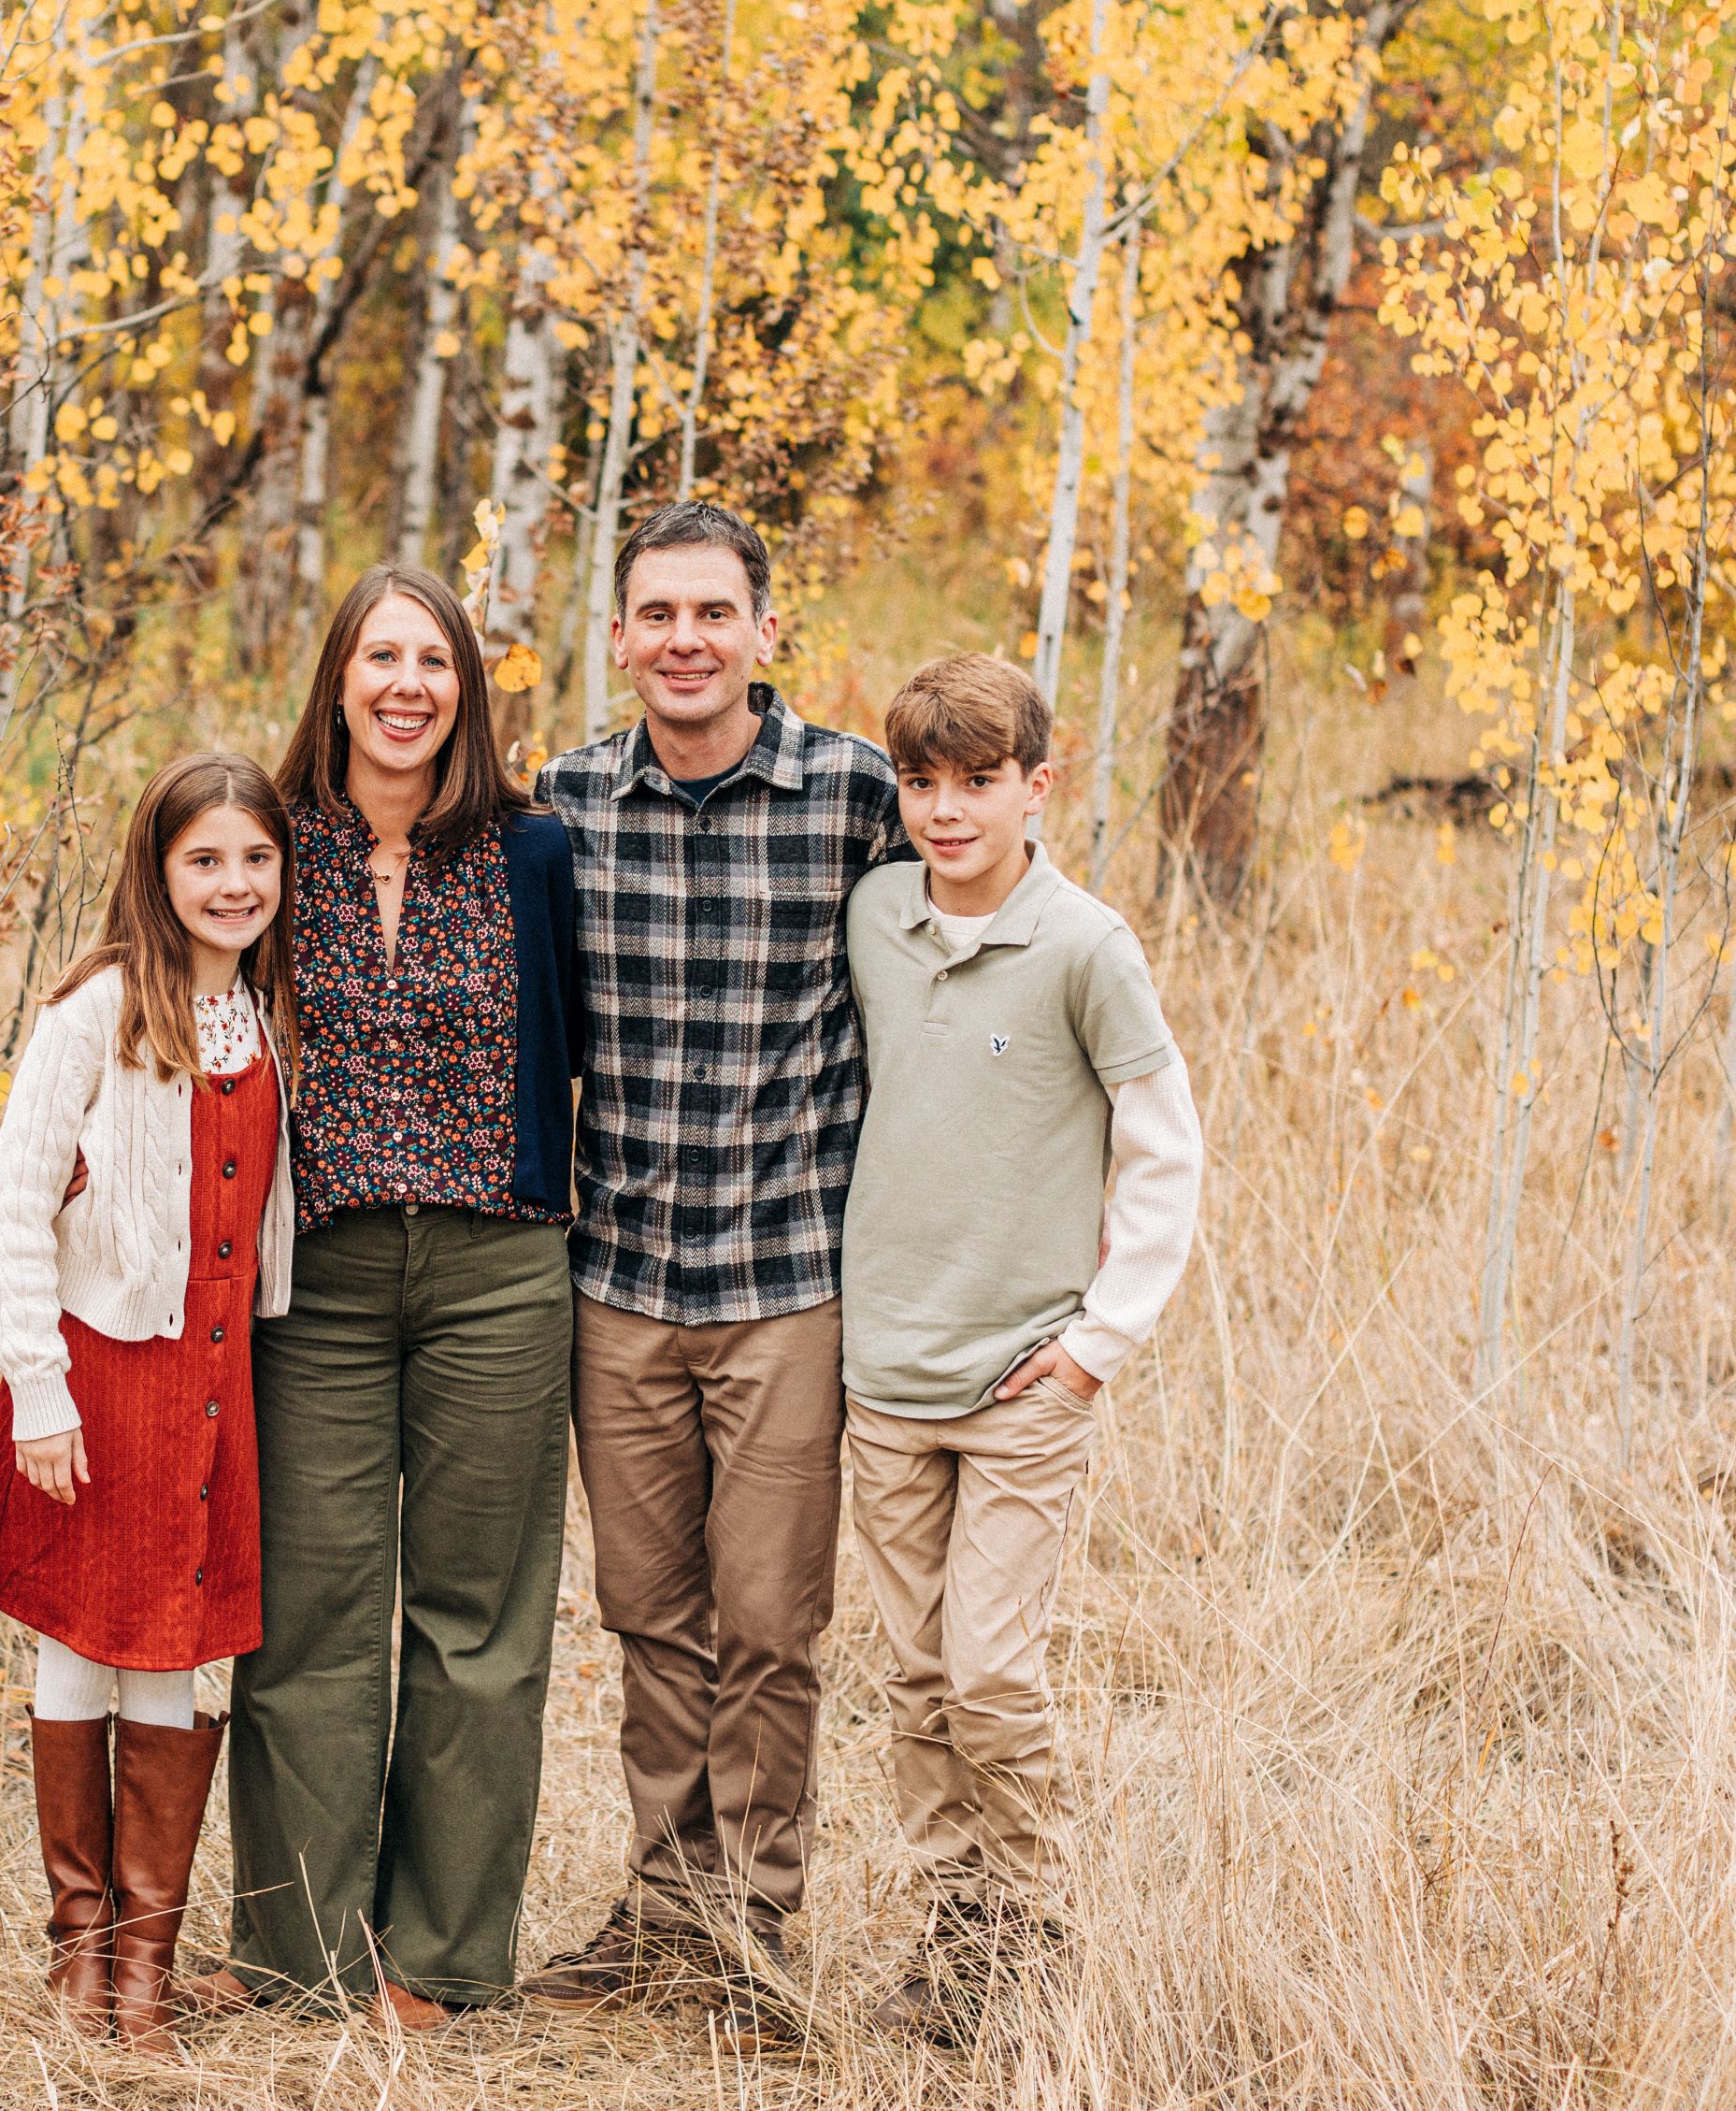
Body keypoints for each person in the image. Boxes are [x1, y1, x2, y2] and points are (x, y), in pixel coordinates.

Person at [179, 564, 586, 2032]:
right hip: (319, 1275)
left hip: (498, 1268)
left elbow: (583, 1042)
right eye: (381, 657)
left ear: (466, 686)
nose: (407, 684)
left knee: (481, 1619)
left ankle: (443, 1960)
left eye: (435, 659)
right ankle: (298, 1953)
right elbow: (178, 995)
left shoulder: (533, 849)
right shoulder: (275, 846)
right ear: (339, 679)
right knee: (307, 1614)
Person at [524, 501, 907, 2050]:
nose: (686, 640)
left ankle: (755, 1930)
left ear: (763, 629)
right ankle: (663, 1912)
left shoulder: (855, 795)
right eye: (658, 614)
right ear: (620, 636)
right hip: (618, 1279)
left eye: (713, 612)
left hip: (785, 1277)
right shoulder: (563, 805)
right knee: (649, 1614)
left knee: (768, 1621)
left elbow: (973, 946)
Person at [838, 654, 1202, 2044]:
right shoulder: (877, 916)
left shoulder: (1088, 947)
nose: (947, 810)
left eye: (978, 782)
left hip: (1020, 1382)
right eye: (921, 782)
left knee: (991, 1671)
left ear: (1037, 787)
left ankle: (1040, 1932)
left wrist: (1098, 1342)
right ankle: (957, 1946)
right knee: (917, 1680)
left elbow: (1164, 1151)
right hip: (887, 1374)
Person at [0, 752, 301, 2051]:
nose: (233, 883)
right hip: (100, 1374)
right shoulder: (95, 1008)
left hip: (211, 1380)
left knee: (175, 1648)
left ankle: (146, 1968)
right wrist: (37, 1389)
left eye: (256, 859)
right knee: (82, 1641)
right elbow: (14, 1206)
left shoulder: (265, 1016)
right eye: (204, 859)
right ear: (158, 871)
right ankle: (80, 1954)